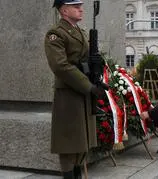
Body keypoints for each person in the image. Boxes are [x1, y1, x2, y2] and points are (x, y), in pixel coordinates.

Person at [44, 0, 105, 178]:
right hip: (69, 94)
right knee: (69, 143)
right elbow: (60, 66)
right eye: (75, 6)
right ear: (64, 10)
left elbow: (85, 60)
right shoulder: (55, 34)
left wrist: (97, 67)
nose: (80, 9)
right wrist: (88, 87)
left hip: (82, 94)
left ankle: (77, 174)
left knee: (81, 141)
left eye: (81, 6)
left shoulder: (80, 31)